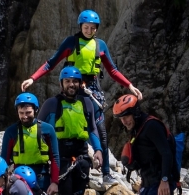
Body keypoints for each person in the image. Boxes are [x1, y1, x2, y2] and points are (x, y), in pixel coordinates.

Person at [21, 10, 142, 179]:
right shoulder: (71, 42)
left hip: (93, 89)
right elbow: (51, 63)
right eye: (86, 27)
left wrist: (129, 85)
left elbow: (112, 70)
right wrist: (33, 79)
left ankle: (106, 172)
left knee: (100, 130)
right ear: (80, 27)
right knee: (69, 128)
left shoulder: (100, 45)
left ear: (96, 29)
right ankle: (55, 165)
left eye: (92, 28)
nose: (89, 30)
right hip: (73, 87)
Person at [38, 67, 102, 195]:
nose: (72, 85)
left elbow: (92, 129)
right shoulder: (52, 104)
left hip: (82, 159)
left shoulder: (86, 103)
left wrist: (98, 150)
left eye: (75, 81)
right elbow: (39, 131)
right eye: (68, 81)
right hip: (61, 160)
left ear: (80, 83)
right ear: (61, 84)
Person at [0, 92, 59, 195]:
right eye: (21, 113)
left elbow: (54, 157)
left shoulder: (47, 130)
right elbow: (4, 160)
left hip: (41, 177)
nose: (25, 116)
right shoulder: (11, 132)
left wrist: (54, 181)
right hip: (19, 179)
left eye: (28, 113)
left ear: (35, 110)